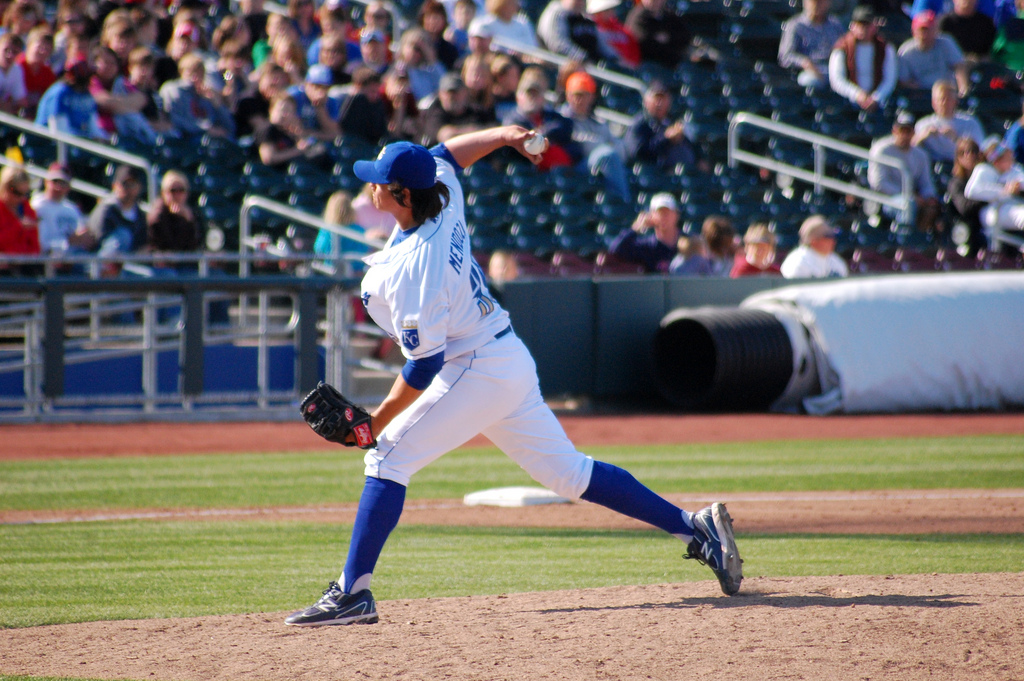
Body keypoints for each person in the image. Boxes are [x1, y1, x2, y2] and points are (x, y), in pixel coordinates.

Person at [283, 127, 743, 627]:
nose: (370, 185)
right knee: (568, 473)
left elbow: (424, 365)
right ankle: (694, 529)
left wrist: (375, 421)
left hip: (474, 367)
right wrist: (506, 135)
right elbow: (447, 153)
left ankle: (352, 592)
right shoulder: (439, 190)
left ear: (403, 195)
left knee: (387, 457)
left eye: (379, 180)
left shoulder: (419, 268)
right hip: (502, 357)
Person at [560, 70, 632, 202]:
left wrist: (600, 144)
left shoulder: (598, 122)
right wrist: (603, 144)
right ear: (568, 95)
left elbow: (621, 150)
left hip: (596, 165)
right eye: (576, 95)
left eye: (584, 95)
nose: (579, 100)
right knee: (607, 155)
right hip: (573, 167)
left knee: (626, 169)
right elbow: (583, 145)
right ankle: (623, 202)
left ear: (592, 97)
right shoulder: (561, 118)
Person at [868, 110, 942, 232]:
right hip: (885, 199)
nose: (905, 135)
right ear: (894, 131)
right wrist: (910, 196)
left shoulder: (921, 155)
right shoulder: (881, 150)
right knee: (907, 205)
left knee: (934, 206)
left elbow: (926, 183)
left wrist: (929, 197)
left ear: (913, 133)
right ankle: (904, 238)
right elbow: (878, 184)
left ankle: (920, 239)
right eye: (901, 130)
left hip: (912, 198)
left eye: (908, 131)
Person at [501, 66, 578, 171]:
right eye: (529, 93)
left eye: (536, 94)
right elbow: (522, 139)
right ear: (518, 96)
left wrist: (541, 134)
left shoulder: (552, 117)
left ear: (543, 97)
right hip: (525, 170)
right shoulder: (512, 119)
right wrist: (540, 137)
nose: (532, 98)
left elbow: (566, 126)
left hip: (556, 171)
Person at [624, 80, 706, 172]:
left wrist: (700, 158)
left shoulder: (674, 121)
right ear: (646, 101)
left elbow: (692, 144)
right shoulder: (640, 123)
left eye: (663, 98)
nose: (659, 103)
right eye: (656, 98)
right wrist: (666, 138)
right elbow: (637, 153)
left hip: (680, 173)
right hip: (652, 173)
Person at [828, 5, 898, 111]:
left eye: (867, 25)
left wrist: (876, 98)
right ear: (852, 26)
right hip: (848, 103)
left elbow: (890, 79)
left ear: (875, 26)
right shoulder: (842, 48)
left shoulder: (886, 48)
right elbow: (836, 80)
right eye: (859, 24)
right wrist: (857, 95)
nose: (863, 28)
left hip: (879, 103)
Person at [159, 53, 236, 141]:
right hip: (185, 140)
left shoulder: (205, 97)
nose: (195, 78)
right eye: (191, 73)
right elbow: (175, 121)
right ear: (181, 72)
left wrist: (216, 104)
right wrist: (205, 130)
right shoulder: (173, 90)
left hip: (209, 141)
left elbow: (230, 127)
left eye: (200, 74)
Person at [964, 141, 1024, 252]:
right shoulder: (984, 170)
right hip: (992, 209)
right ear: (997, 161)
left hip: (1013, 205)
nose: (1011, 160)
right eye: (1007, 157)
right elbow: (971, 191)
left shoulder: (1014, 170)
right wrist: (1003, 191)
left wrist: (1018, 185)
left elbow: (1021, 179)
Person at [34, 53, 108, 141]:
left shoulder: (86, 94)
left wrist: (104, 139)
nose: (87, 82)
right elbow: (59, 131)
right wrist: (85, 140)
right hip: (46, 142)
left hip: (77, 142)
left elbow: (93, 126)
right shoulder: (59, 93)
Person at [912, 79, 985, 163]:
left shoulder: (970, 123)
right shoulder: (923, 124)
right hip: (933, 165)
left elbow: (979, 151)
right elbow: (910, 151)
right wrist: (921, 137)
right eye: (940, 99)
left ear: (956, 101)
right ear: (933, 103)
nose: (944, 103)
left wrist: (956, 139)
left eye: (948, 99)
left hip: (962, 166)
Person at [897, 10, 968, 95]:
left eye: (929, 30)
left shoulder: (946, 43)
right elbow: (904, 81)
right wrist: (923, 93)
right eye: (921, 30)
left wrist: (963, 89)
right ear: (913, 32)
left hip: (947, 92)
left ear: (936, 30)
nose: (925, 34)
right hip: (921, 95)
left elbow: (959, 66)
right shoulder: (905, 52)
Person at [778, 0, 846, 88]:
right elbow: (785, 56)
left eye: (821, 1)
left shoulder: (836, 25)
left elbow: (846, 49)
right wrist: (805, 63)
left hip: (834, 69)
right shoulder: (795, 25)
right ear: (805, 2)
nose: (817, 4)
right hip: (809, 70)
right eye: (814, 1)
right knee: (808, 81)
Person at [30, 162, 95, 255]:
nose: (58, 187)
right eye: (55, 181)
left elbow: (81, 235)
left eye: (63, 183)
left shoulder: (72, 209)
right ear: (46, 182)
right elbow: (41, 244)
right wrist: (68, 242)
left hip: (73, 256)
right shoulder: (37, 206)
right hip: (47, 258)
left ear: (69, 187)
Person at [608, 192, 680, 273]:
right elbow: (615, 250)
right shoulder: (646, 247)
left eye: (667, 213)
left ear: (676, 215)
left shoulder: (687, 243)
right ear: (651, 216)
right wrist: (635, 228)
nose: (664, 217)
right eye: (660, 213)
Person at [88, 164, 148, 259]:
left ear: (139, 187)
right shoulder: (106, 210)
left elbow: (142, 244)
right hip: (103, 262)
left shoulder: (140, 215)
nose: (128, 189)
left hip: (132, 263)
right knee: (123, 235)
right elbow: (97, 243)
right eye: (124, 184)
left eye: (132, 184)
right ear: (114, 186)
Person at [418, 72, 494, 146]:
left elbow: (493, 131)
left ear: (465, 92)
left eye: (456, 92)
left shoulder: (476, 111)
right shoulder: (435, 111)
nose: (452, 97)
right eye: (449, 93)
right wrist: (476, 131)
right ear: (440, 94)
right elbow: (446, 136)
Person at [537, 0, 621, 65]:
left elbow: (603, 46)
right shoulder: (557, 14)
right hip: (564, 67)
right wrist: (584, 59)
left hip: (591, 68)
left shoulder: (587, 18)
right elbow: (558, 45)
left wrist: (615, 60)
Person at [947, 136, 988, 255]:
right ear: (958, 158)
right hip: (968, 229)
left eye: (973, 151)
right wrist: (986, 200)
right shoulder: (956, 183)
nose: (969, 156)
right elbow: (964, 208)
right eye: (963, 152)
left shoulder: (986, 177)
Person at [314, 190, 370, 273]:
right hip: (356, 274)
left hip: (331, 273)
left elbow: (319, 249)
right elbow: (365, 250)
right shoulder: (360, 230)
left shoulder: (326, 231)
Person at [624, 0, 691, 70]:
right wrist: (657, 38)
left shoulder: (668, 15)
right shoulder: (639, 15)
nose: (656, 2)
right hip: (645, 63)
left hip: (669, 65)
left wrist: (668, 37)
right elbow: (641, 38)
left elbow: (684, 36)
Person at [780, 214, 850, 278]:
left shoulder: (837, 261)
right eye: (828, 236)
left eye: (833, 236)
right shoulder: (796, 261)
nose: (833, 240)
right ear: (814, 240)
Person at [287, 63, 342, 140]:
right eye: (317, 86)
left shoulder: (331, 101)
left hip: (320, 142)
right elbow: (288, 126)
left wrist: (320, 107)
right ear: (306, 84)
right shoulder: (294, 96)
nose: (320, 90)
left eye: (325, 87)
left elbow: (335, 134)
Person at [0, 166, 40, 266]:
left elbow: (35, 247)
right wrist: (18, 226)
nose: (21, 198)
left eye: (24, 193)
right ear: (5, 187)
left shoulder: (28, 210)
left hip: (24, 266)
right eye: (16, 193)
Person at [588, 0, 640, 69]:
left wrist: (630, 64)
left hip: (627, 69)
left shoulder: (622, 30)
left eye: (611, 9)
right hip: (603, 67)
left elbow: (634, 52)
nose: (610, 12)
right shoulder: (591, 29)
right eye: (606, 10)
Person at [0, 32, 27, 115]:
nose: (10, 55)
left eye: (15, 52)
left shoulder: (17, 70)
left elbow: (21, 101)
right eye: (6, 50)